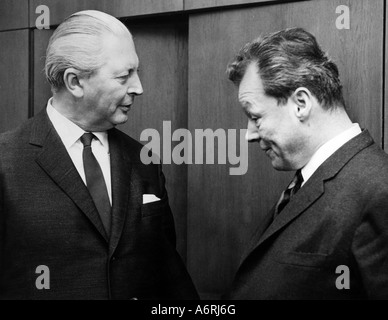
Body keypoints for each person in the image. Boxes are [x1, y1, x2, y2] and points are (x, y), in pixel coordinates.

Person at [0, 10, 198, 300]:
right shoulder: (6, 162)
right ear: (75, 82)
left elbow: (167, 271)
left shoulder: (143, 161)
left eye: (136, 71)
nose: (138, 87)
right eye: (123, 76)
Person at [224, 27, 388, 299]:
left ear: (300, 103)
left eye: (255, 117)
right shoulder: (307, 180)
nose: (249, 134)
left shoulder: (379, 190)